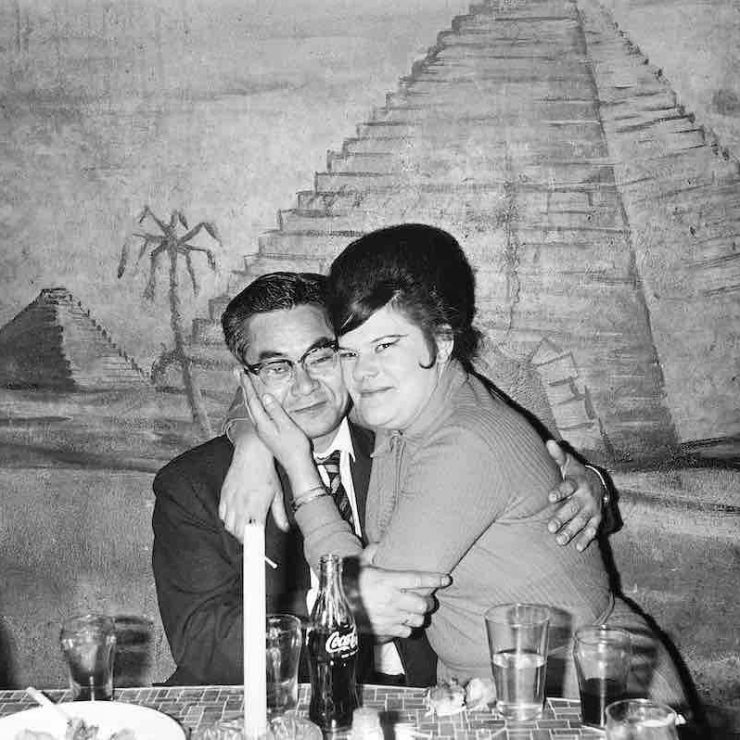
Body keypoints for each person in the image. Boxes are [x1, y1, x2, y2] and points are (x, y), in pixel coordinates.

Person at [239, 226, 690, 711]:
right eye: (349, 352)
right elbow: (280, 378)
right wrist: (250, 441)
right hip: (493, 692)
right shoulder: (406, 408)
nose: (362, 372)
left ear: (441, 341)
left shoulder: (463, 439)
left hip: (584, 694)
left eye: (385, 345)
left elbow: (373, 606)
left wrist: (298, 468)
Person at [152, 272, 452, 686]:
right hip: (276, 698)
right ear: (246, 381)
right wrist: (338, 613)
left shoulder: (411, 450)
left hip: (413, 696)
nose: (306, 385)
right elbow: (202, 641)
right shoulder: (193, 486)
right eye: (278, 367)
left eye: (320, 357)